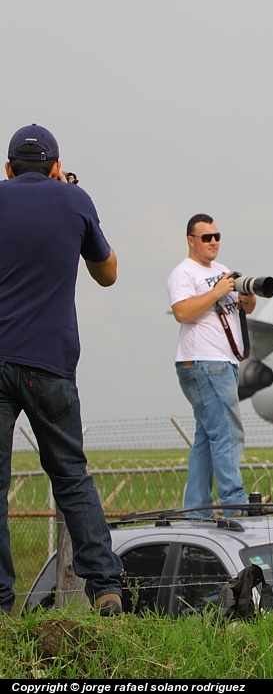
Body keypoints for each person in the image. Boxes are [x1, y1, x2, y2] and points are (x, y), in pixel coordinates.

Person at [0, 124, 123, 615]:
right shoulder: (75, 201)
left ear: (8, 169)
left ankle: (2, 603)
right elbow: (107, 274)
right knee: (71, 476)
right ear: (55, 166)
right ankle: (106, 588)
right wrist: (73, 196)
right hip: (49, 361)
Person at [167, 214, 256, 516]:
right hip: (204, 362)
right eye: (206, 237)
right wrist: (216, 292)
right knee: (229, 432)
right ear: (191, 240)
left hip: (223, 362)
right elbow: (181, 311)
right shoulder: (184, 273)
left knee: (207, 436)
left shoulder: (223, 271)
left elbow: (245, 308)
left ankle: (197, 508)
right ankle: (235, 503)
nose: (213, 242)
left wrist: (246, 297)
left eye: (217, 236)